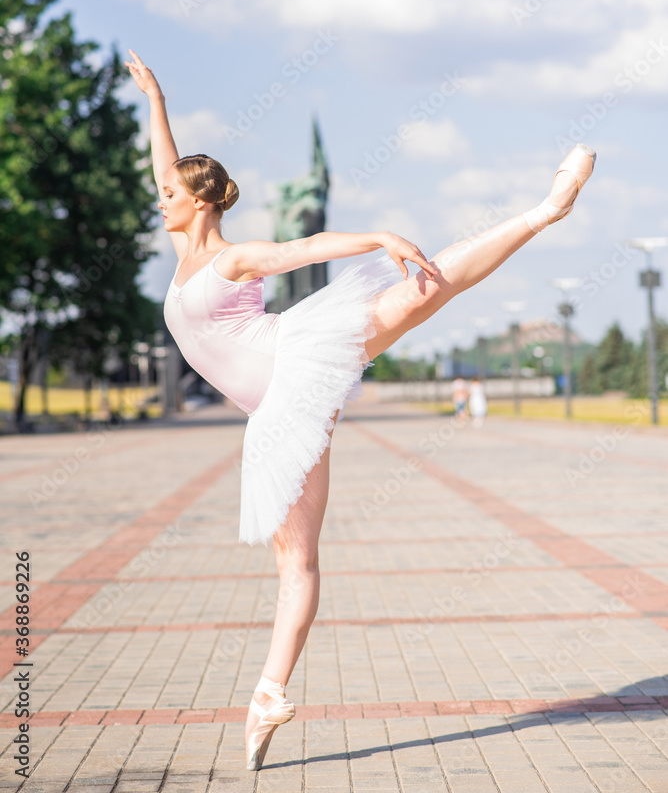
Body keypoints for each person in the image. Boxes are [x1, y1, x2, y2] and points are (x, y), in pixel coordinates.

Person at [125, 49, 597, 770]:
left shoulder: (232, 257)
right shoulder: (186, 250)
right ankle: (268, 697)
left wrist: (377, 237)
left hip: (297, 359)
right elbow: (166, 161)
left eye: (168, 194)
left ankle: (546, 209)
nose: (157, 199)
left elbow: (306, 244)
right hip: (279, 415)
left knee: (420, 292)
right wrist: (155, 97)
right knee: (297, 563)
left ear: (200, 203)